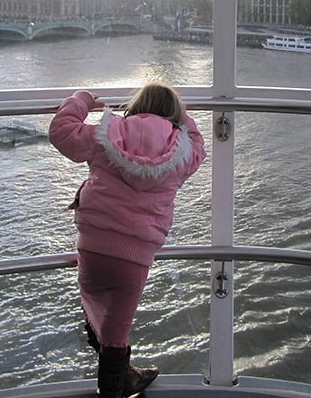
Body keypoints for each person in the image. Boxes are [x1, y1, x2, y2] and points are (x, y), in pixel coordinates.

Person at [49, 82, 206, 397]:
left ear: (134, 107)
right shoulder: (182, 152)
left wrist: (81, 100)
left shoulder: (106, 134)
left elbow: (61, 132)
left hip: (93, 243)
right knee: (118, 328)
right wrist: (180, 115)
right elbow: (197, 141)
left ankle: (123, 374)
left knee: (92, 301)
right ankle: (114, 386)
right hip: (137, 255)